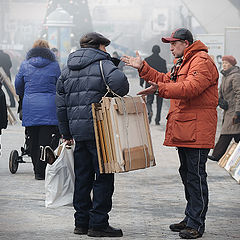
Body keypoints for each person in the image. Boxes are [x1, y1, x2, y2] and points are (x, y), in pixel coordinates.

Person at [122, 28, 218, 239]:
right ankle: (190, 216)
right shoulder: (183, 61)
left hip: (197, 130)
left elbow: (190, 88)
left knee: (195, 177)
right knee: (187, 174)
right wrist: (143, 68)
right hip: (186, 128)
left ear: (185, 43)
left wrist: (159, 89)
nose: (171, 47)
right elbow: (166, 80)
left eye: (174, 44)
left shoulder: (201, 61)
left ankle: (196, 223)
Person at [56, 32, 129, 238]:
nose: (106, 50)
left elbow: (61, 105)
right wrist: (114, 65)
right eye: (104, 47)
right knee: (104, 176)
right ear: (99, 47)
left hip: (79, 133)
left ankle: (81, 222)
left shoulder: (67, 68)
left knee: (83, 177)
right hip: (101, 130)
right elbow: (122, 87)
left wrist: (66, 133)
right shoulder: (103, 65)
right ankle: (98, 224)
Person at [15, 39, 61, 180]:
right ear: (48, 50)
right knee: (45, 140)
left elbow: (18, 86)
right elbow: (60, 85)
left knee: (32, 140)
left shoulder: (25, 65)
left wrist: (26, 94)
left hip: (30, 106)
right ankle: (43, 169)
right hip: (49, 106)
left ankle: (37, 171)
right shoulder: (54, 66)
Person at [208, 55, 240, 161]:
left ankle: (217, 155)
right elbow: (221, 92)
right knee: (235, 134)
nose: (224, 65)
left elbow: (239, 94)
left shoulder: (235, 76)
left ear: (231, 65)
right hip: (228, 110)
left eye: (226, 63)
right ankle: (218, 155)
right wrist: (220, 100)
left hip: (234, 110)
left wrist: (238, 111)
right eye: (223, 63)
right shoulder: (226, 76)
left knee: (227, 133)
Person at [140, 45, 167, 125]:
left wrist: (141, 81)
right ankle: (157, 119)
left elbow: (143, 71)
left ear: (152, 50)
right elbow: (165, 73)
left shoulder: (147, 60)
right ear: (159, 51)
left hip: (149, 83)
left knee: (149, 101)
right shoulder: (163, 61)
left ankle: (150, 111)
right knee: (159, 103)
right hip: (159, 84)